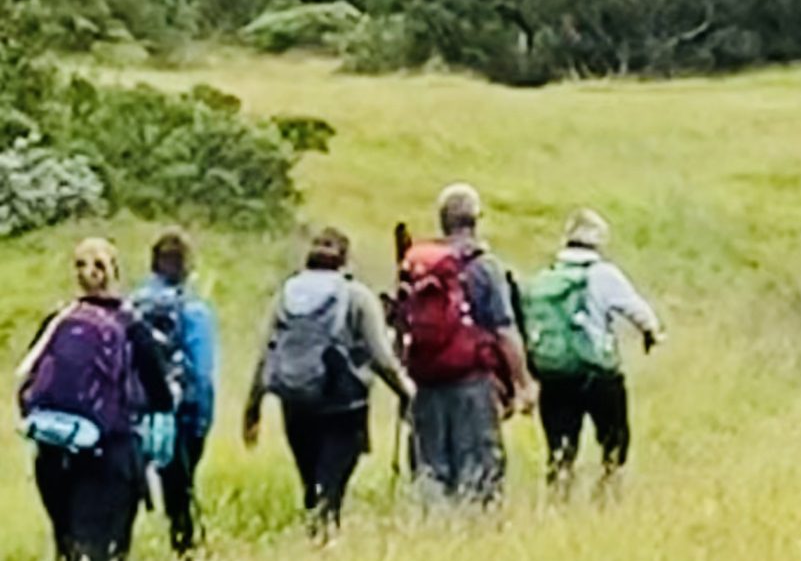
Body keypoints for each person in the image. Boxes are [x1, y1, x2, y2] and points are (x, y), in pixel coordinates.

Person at [15, 238, 173, 561]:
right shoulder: (133, 326)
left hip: (55, 453)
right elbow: (161, 397)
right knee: (107, 557)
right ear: (114, 272)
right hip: (111, 452)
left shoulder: (56, 322)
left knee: (68, 546)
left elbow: (27, 385)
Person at [242, 228, 413, 534]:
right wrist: (407, 393)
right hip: (343, 405)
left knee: (311, 482)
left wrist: (253, 406)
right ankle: (324, 540)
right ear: (345, 260)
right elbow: (382, 358)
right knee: (332, 484)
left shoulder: (286, 293)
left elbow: (267, 351)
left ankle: (316, 535)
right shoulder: (356, 295)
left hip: (295, 403)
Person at [397, 182, 532, 505]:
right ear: (476, 219)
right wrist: (523, 383)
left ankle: (432, 534)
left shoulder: (418, 265)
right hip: (472, 381)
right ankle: (475, 537)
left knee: (431, 468)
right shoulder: (484, 266)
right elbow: (504, 329)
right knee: (479, 467)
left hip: (426, 383)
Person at [523, 209, 662, 490]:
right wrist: (652, 334)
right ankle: (607, 494)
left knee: (560, 448)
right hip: (597, 376)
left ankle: (558, 498)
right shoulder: (604, 274)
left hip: (555, 376)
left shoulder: (547, 278)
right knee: (614, 441)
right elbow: (639, 312)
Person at [131, 230, 219, 561]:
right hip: (181, 412)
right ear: (186, 266)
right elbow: (202, 374)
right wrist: (201, 423)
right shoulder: (193, 310)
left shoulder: (133, 305)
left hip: (138, 413)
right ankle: (184, 553)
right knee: (182, 487)